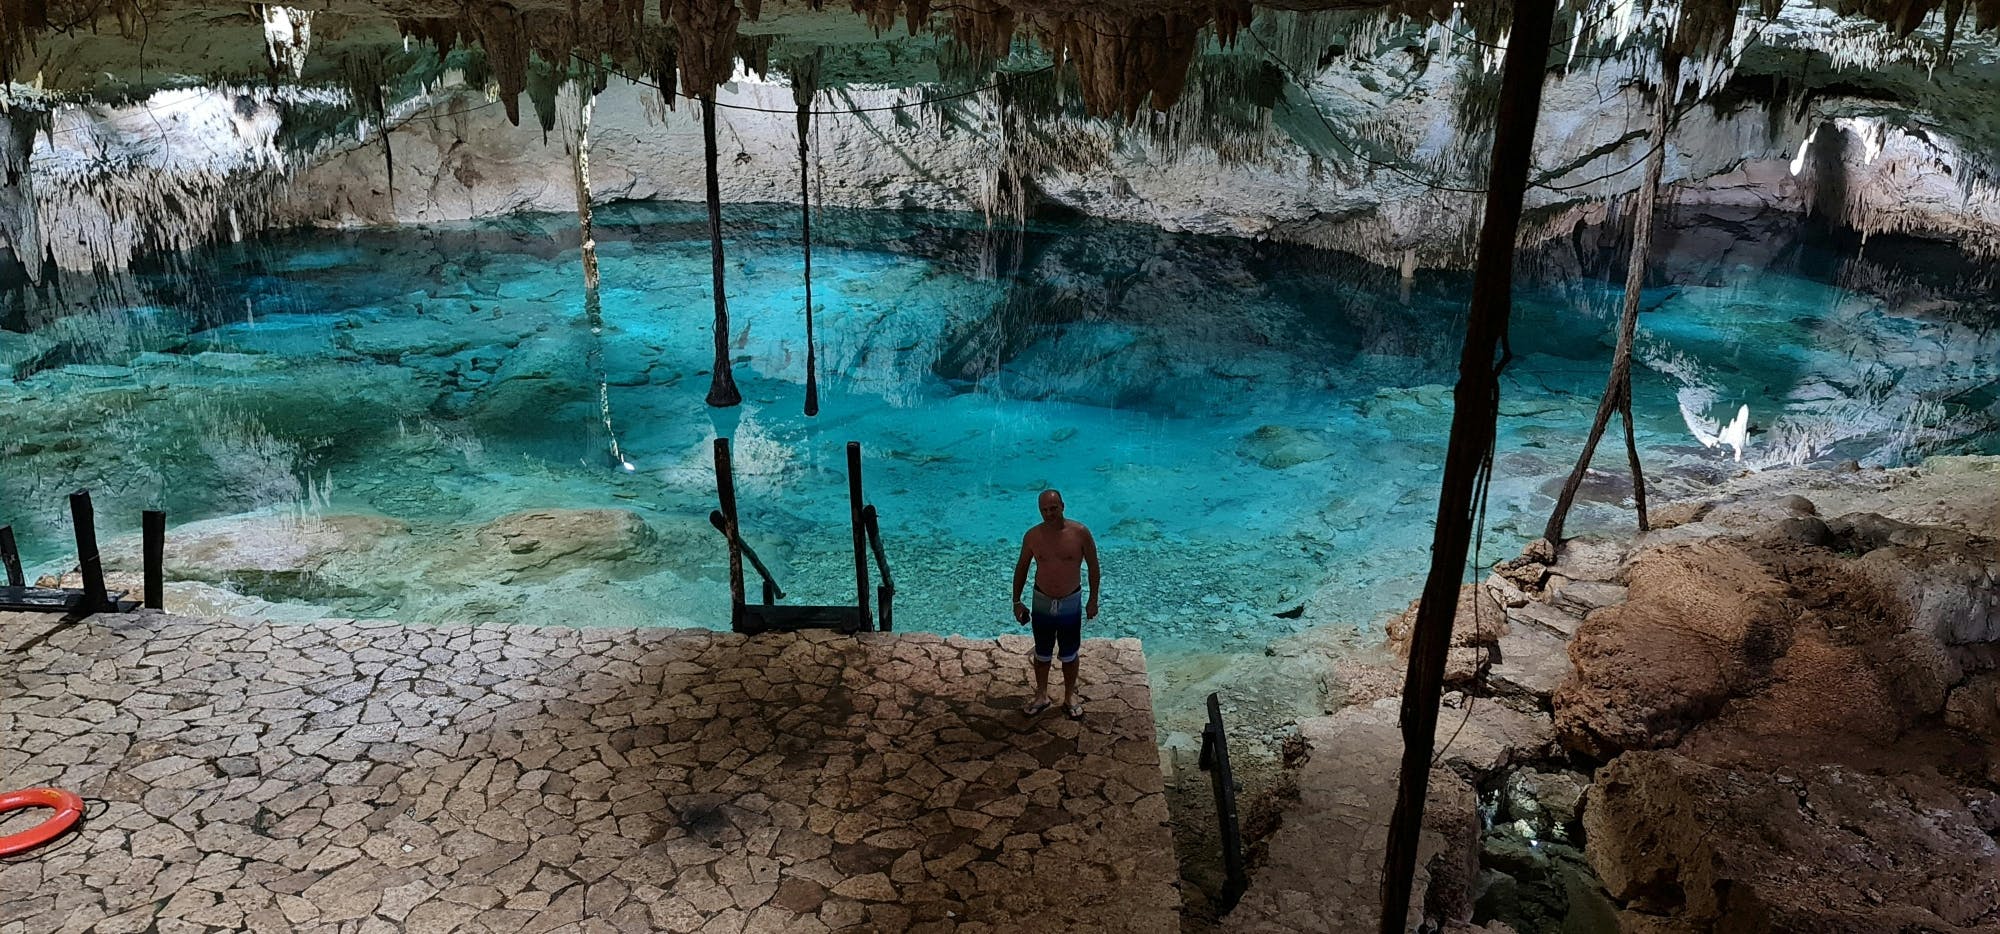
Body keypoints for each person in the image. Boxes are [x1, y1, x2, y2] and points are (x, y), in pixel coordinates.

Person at [1011, 489, 1099, 720]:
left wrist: (1093, 599)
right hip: (1042, 599)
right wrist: (1017, 601)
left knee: (1069, 653)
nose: (1049, 514)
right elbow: (1022, 567)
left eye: (1053, 508)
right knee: (1042, 652)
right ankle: (1042, 695)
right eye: (1044, 510)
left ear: (1063, 506)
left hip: (1070, 600)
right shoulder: (1033, 536)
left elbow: (1093, 566)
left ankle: (1070, 695)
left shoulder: (1080, 533)